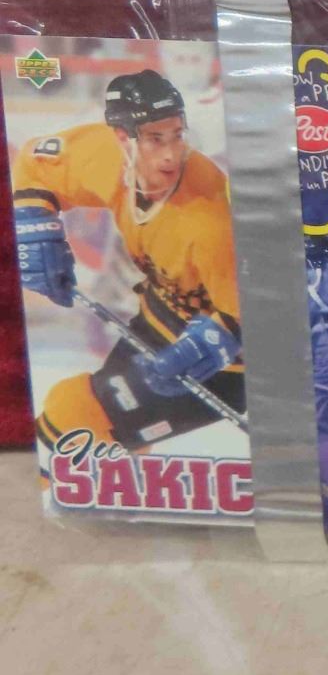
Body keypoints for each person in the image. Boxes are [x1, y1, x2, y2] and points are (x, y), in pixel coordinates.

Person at [13, 70, 242, 453]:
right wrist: (36, 225)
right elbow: (35, 164)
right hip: (155, 321)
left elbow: (260, 309)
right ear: (122, 138)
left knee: (73, 419)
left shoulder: (208, 221)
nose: (171, 154)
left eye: (177, 135)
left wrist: (212, 343)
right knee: (115, 439)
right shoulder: (104, 155)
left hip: (229, 365)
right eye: (155, 138)